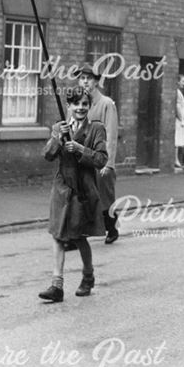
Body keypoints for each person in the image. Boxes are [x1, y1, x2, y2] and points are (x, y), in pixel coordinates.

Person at [39, 87, 108, 302]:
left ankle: (88, 277)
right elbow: (48, 155)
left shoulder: (96, 129)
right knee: (58, 235)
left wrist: (78, 148)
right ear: (68, 106)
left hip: (83, 189)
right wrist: (57, 137)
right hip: (61, 189)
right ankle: (56, 286)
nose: (80, 108)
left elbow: (101, 160)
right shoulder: (59, 127)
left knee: (78, 237)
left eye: (84, 104)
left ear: (89, 106)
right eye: (76, 104)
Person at [78, 63, 120, 244]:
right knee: (84, 196)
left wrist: (108, 164)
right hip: (84, 158)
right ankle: (81, 233)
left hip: (100, 159)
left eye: (88, 78)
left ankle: (111, 227)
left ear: (96, 82)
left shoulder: (106, 104)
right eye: (82, 78)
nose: (84, 82)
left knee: (104, 198)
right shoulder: (80, 104)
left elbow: (111, 134)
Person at [175, 74, 184, 169]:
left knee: (178, 140)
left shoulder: (179, 92)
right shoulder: (178, 93)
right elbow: (178, 107)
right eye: (182, 81)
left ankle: (177, 159)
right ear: (178, 82)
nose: (183, 83)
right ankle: (176, 160)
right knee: (177, 140)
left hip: (179, 119)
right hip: (178, 120)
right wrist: (181, 119)